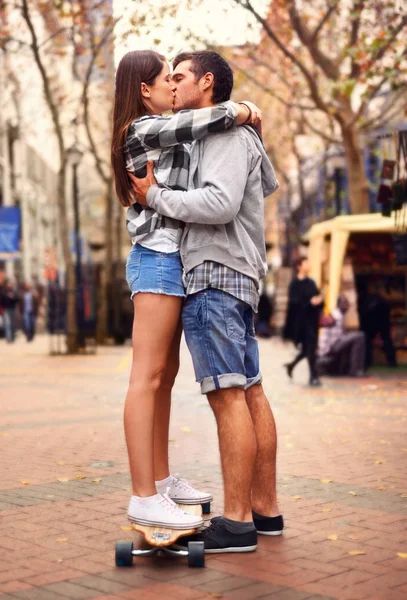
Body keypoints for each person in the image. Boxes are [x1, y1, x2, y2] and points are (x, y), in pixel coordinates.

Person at [129, 50, 283, 553]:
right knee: (250, 390)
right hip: (239, 272)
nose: (173, 86)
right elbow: (266, 184)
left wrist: (156, 198)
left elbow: (219, 203)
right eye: (165, 78)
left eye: (180, 77)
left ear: (207, 83)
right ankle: (265, 510)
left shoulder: (221, 133)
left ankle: (237, 521)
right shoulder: (230, 132)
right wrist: (244, 115)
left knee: (227, 395)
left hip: (215, 272)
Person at [283, 257, 323, 386]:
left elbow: (317, 296)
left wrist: (318, 301)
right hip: (300, 322)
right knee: (310, 348)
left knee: (309, 349)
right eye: (306, 263)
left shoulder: (311, 282)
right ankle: (313, 376)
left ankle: (293, 366)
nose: (308, 265)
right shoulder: (294, 284)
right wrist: (309, 302)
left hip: (312, 321)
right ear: (299, 266)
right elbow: (294, 303)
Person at [317, 295, 366, 377]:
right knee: (360, 336)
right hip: (330, 347)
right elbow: (338, 338)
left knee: (356, 338)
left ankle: (355, 369)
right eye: (343, 304)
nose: (346, 306)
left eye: (347, 304)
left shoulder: (339, 315)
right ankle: (355, 371)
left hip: (333, 345)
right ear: (338, 305)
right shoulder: (337, 316)